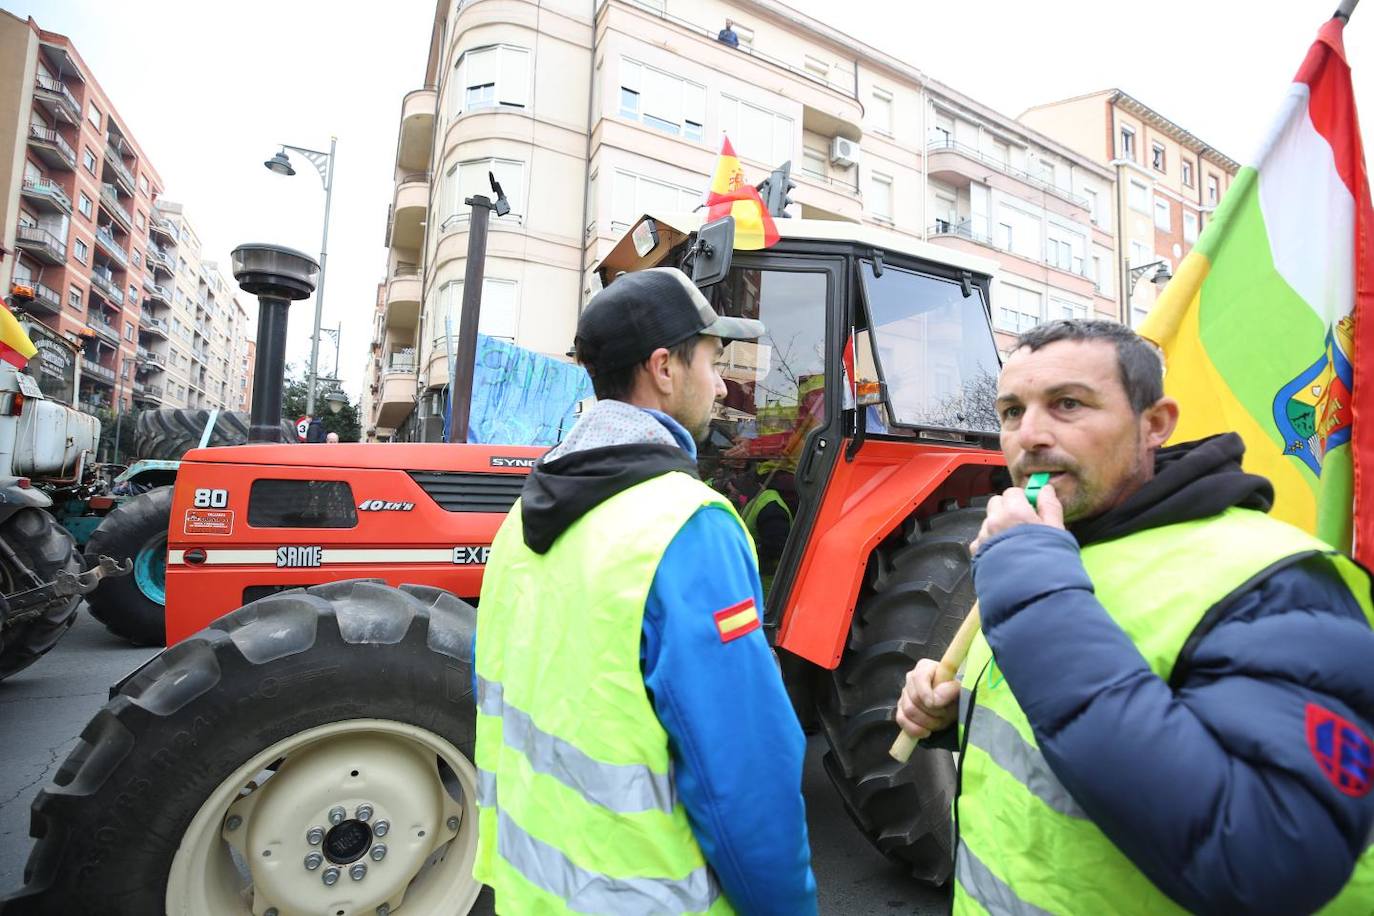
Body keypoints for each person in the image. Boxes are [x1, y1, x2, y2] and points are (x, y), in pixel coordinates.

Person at [896, 319, 1374, 914]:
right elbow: (1067, 718)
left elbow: (1274, 860)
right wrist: (955, 711)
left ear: (1155, 424)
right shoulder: (1046, 548)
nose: (1030, 437)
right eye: (1012, 411)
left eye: (1067, 404)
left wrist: (1032, 590)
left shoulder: (1275, 581)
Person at [474, 267, 817, 915]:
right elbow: (745, 784)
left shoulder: (522, 521)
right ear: (664, 367)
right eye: (713, 362)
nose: (720, 384)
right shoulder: (688, 528)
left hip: (530, 893)